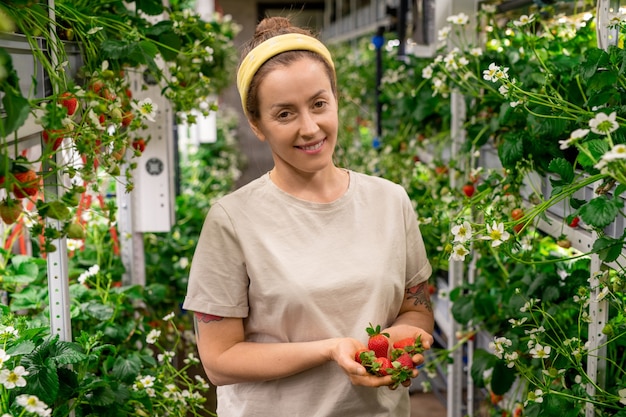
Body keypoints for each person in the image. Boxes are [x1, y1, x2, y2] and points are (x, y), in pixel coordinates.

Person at [182, 16, 434, 417]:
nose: (310, 127)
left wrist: (398, 344)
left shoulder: (390, 201)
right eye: (284, 114)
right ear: (257, 125)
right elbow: (219, 360)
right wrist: (332, 350)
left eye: (319, 104)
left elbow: (416, 309)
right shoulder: (232, 220)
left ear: (336, 99)